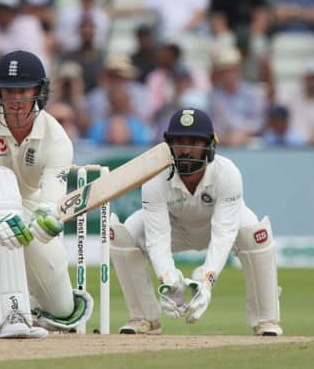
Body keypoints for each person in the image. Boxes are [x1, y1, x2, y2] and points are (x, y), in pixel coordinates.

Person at [0, 50, 92, 339]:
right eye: (8, 91)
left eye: (23, 90)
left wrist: (47, 218)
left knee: (61, 307)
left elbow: (50, 200)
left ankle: (0, 300)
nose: (15, 99)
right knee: (0, 182)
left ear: (39, 91)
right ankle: (12, 314)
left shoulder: (57, 139)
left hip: (27, 203)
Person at [110, 108, 282, 336]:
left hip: (219, 228)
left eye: (193, 143)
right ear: (168, 146)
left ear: (209, 146)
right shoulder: (155, 178)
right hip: (176, 230)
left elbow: (224, 233)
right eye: (179, 142)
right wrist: (168, 279)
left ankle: (266, 320)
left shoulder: (227, 173)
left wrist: (207, 279)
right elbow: (158, 238)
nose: (185, 150)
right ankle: (145, 319)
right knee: (124, 234)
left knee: (256, 235)